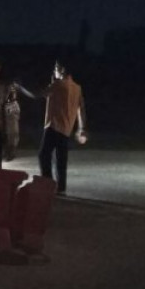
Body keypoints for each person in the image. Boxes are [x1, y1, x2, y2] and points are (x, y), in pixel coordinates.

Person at [38, 61, 88, 195]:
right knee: (61, 159)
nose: (54, 70)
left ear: (62, 70)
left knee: (43, 155)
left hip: (53, 125)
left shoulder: (57, 85)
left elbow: (40, 94)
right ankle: (61, 188)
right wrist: (81, 128)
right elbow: (81, 109)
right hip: (66, 128)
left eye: (56, 68)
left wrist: (20, 87)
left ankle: (47, 183)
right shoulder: (77, 87)